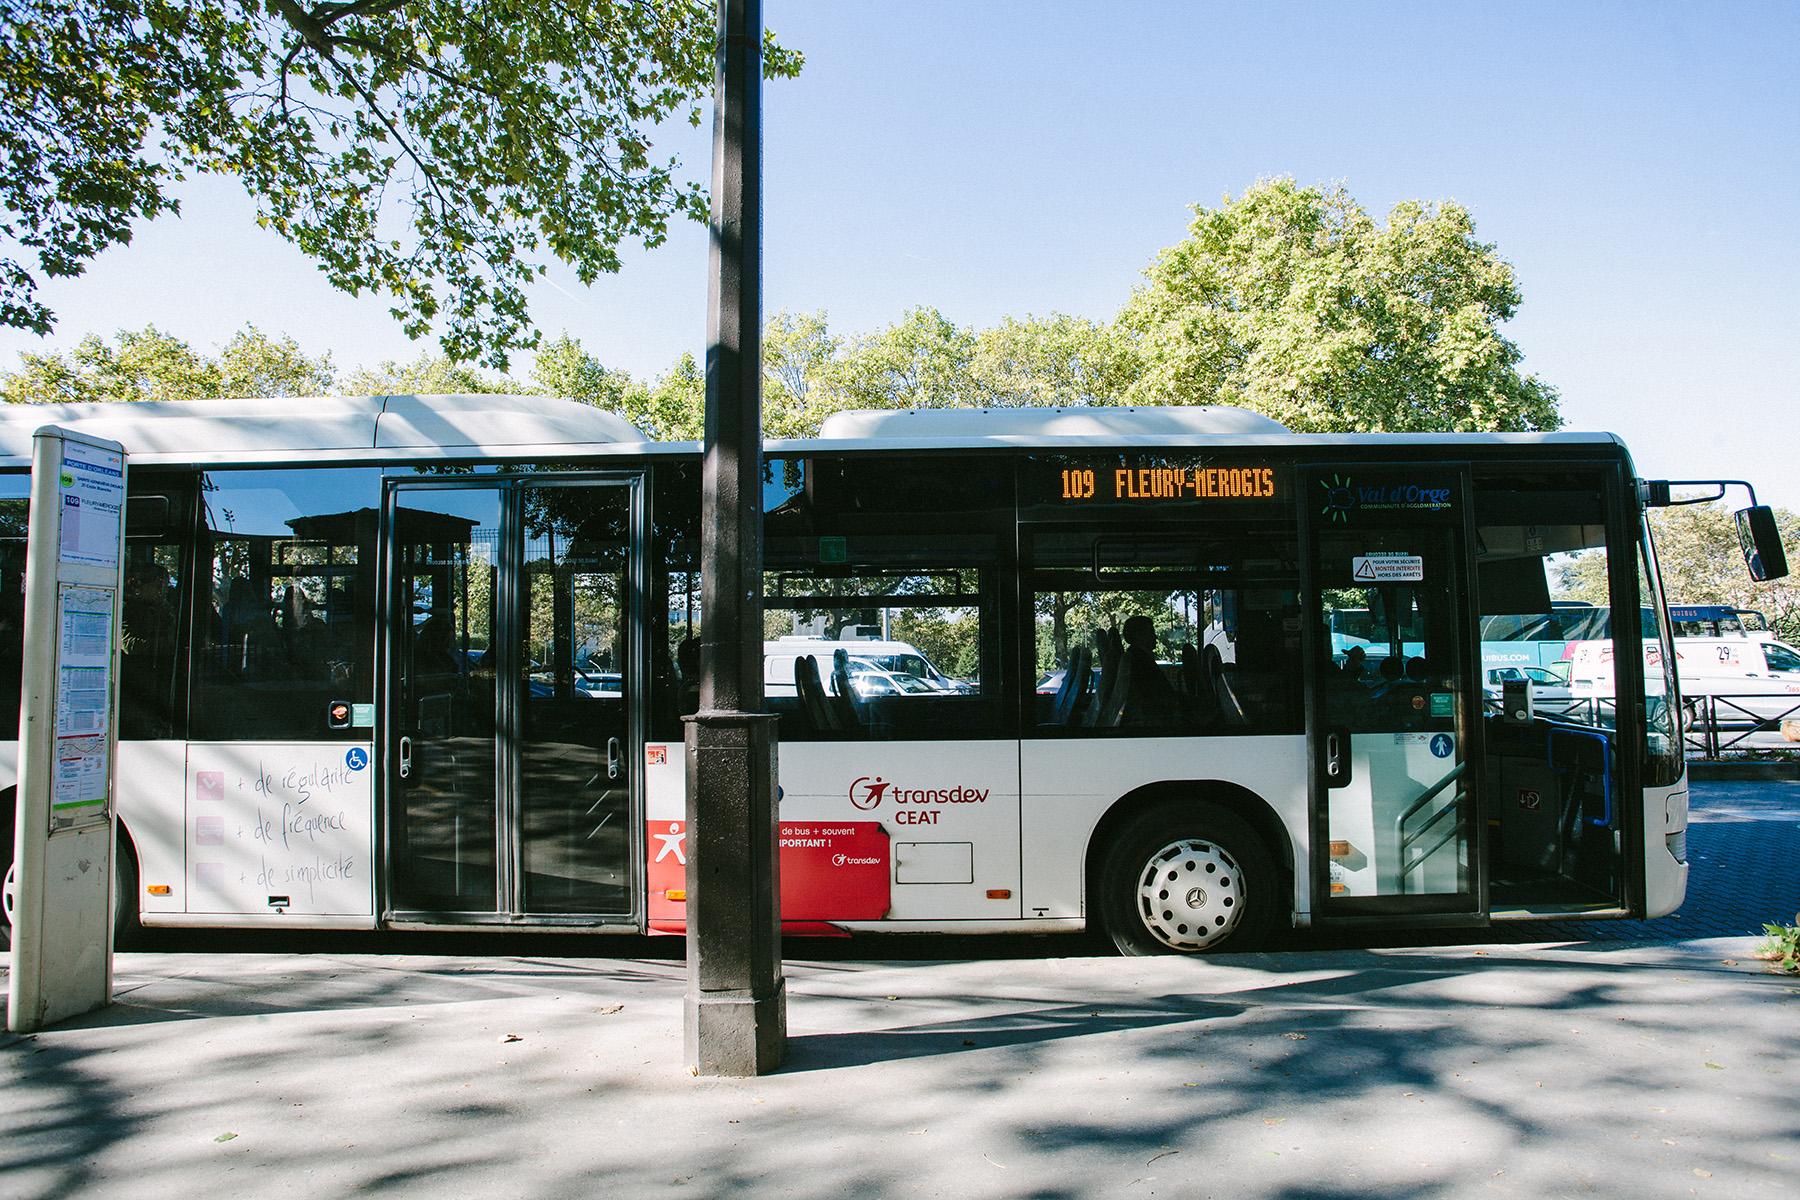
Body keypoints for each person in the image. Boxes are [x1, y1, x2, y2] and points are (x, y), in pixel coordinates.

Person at [1120, 614, 1179, 726]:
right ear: (1139, 636)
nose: (1155, 637)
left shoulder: (1135, 657)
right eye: (1151, 633)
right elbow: (1159, 695)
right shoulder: (1140, 661)